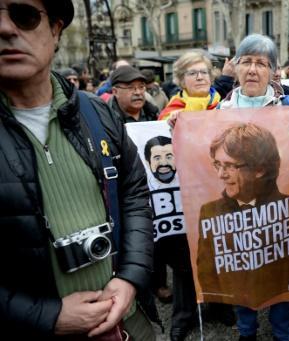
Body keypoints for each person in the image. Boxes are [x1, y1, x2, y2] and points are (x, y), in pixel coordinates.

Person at [0, 0, 154, 339]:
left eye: (23, 16)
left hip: (130, 323)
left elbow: (134, 193)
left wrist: (130, 277)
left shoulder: (95, 112)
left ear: (55, 29)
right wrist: (47, 316)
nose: (5, 28)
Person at [210, 33, 289, 341]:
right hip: (237, 216)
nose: (252, 70)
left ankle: (283, 335)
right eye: (246, 62)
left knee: (282, 284)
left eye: (261, 63)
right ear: (234, 68)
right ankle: (246, 334)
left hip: (279, 216)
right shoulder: (215, 114)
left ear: (273, 71)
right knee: (242, 281)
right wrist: (180, 129)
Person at [198, 123, 289, 341]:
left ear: (259, 168)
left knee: (283, 310)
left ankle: (283, 336)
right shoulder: (210, 212)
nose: (220, 174)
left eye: (229, 166)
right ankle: (247, 334)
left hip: (281, 284)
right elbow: (207, 268)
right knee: (243, 305)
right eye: (217, 164)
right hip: (240, 286)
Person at [143, 136, 196, 341]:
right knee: (183, 266)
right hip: (163, 228)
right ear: (147, 162)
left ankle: (219, 307)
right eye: (157, 157)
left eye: (169, 156)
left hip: (196, 216)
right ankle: (182, 318)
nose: (164, 163)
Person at [158, 51, 221, 121]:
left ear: (210, 77)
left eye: (204, 72)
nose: (200, 77)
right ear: (182, 80)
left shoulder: (224, 105)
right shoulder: (173, 112)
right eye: (192, 73)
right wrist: (174, 121)